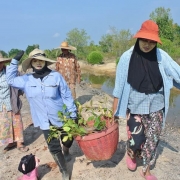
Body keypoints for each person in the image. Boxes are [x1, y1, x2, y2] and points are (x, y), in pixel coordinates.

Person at [112, 20, 180, 180]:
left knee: (153, 140)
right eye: (144, 40)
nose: (147, 45)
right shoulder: (126, 58)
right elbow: (118, 88)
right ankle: (131, 154)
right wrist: (113, 114)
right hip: (135, 106)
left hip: (157, 105)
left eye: (152, 41)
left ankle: (146, 170)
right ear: (138, 38)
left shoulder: (161, 56)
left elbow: (177, 72)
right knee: (136, 139)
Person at [6, 48, 77, 180]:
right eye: (35, 61)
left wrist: (73, 113)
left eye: (41, 60)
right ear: (31, 63)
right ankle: (65, 171)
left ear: (45, 62)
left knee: (68, 139)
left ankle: (66, 149)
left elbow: (66, 96)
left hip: (62, 117)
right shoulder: (26, 79)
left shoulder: (56, 76)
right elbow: (10, 80)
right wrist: (15, 61)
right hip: (43, 120)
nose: (38, 63)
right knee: (54, 147)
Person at [0, 52, 28, 152]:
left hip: (12, 100)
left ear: (3, 63)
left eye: (0, 63)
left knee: (16, 122)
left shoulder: (9, 71)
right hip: (1, 104)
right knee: (5, 123)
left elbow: (21, 79)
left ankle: (20, 143)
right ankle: (10, 142)